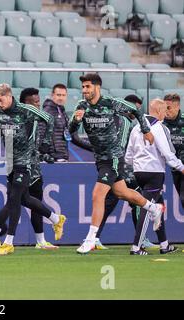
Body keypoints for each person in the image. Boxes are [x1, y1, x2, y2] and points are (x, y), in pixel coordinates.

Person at [69, 73, 164, 254]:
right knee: (122, 192)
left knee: (97, 195)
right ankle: (153, 208)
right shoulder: (81, 106)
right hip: (100, 158)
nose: (84, 91)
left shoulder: (111, 103)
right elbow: (70, 130)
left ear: (97, 87)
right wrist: (75, 120)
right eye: (83, 87)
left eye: (88, 87)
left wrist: (145, 131)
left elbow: (136, 111)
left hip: (113, 157)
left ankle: (91, 239)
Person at [0, 84, 66, 255]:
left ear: (9, 96)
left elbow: (49, 119)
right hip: (10, 161)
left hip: (26, 160)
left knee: (15, 198)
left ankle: (8, 242)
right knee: (24, 199)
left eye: (0, 100)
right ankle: (55, 218)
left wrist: (45, 143)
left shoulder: (26, 110)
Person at [94, 95, 158, 250]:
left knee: (107, 204)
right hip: (120, 171)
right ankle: (141, 239)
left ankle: (94, 237)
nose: (135, 111)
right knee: (136, 201)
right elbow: (121, 148)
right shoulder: (125, 122)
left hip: (114, 168)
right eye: (134, 108)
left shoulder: (114, 119)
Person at [125, 99, 181, 255]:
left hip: (138, 172)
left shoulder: (136, 127)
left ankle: (164, 245)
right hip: (154, 173)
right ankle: (136, 247)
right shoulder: (159, 127)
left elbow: (128, 155)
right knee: (148, 208)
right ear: (158, 110)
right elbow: (168, 154)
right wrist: (181, 167)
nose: (165, 114)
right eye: (164, 110)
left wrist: (138, 163)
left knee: (158, 206)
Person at [20, 88, 58, 249]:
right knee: (15, 201)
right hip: (19, 167)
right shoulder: (17, 119)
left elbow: (50, 120)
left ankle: (40, 241)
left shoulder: (35, 120)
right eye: (34, 102)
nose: (38, 105)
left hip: (34, 169)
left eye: (38, 102)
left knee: (33, 202)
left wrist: (45, 149)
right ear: (25, 103)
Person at [163, 93, 184, 211]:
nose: (166, 111)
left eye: (169, 107)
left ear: (177, 106)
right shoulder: (161, 124)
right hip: (175, 169)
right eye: (164, 107)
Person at [41, 84, 70, 162]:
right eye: (58, 95)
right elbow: (39, 136)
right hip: (51, 160)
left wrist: (92, 147)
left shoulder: (63, 113)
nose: (61, 98)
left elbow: (73, 136)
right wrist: (45, 156)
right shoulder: (46, 112)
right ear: (52, 95)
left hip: (62, 158)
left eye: (63, 95)